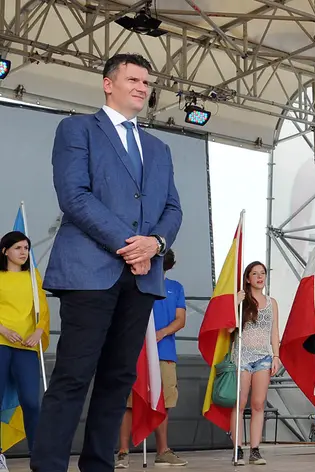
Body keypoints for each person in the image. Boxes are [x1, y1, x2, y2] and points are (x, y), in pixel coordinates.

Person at [31, 53, 182, 472]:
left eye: (147, 82)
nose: (141, 87)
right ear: (107, 84)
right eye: (132, 78)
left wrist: (155, 243)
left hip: (142, 279)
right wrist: (130, 245)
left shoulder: (159, 148)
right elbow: (74, 195)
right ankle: (47, 466)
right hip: (89, 273)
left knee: (118, 380)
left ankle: (99, 465)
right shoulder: (76, 129)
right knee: (73, 376)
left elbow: (173, 208)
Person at [116, 249, 187, 468]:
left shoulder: (175, 288)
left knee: (162, 402)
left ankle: (163, 451)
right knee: (129, 402)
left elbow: (180, 319)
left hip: (164, 352)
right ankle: (123, 452)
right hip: (135, 352)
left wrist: (161, 333)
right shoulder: (135, 284)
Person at [0, 231, 50, 469]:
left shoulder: (33, 277)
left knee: (31, 401)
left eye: (26, 248)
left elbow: (43, 310)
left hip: (25, 347)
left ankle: (38, 455)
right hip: (0, 343)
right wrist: (3, 330)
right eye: (18, 248)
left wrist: (39, 332)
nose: (24, 252)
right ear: (5, 251)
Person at [230, 261, 280, 466]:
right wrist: (235, 303)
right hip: (242, 356)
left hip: (263, 358)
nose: (260, 277)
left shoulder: (272, 302)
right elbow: (227, 328)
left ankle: (255, 449)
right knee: (239, 404)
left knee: (258, 404)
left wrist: (276, 356)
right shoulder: (241, 300)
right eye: (255, 273)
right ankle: (237, 449)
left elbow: (274, 332)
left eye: (263, 273)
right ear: (248, 278)